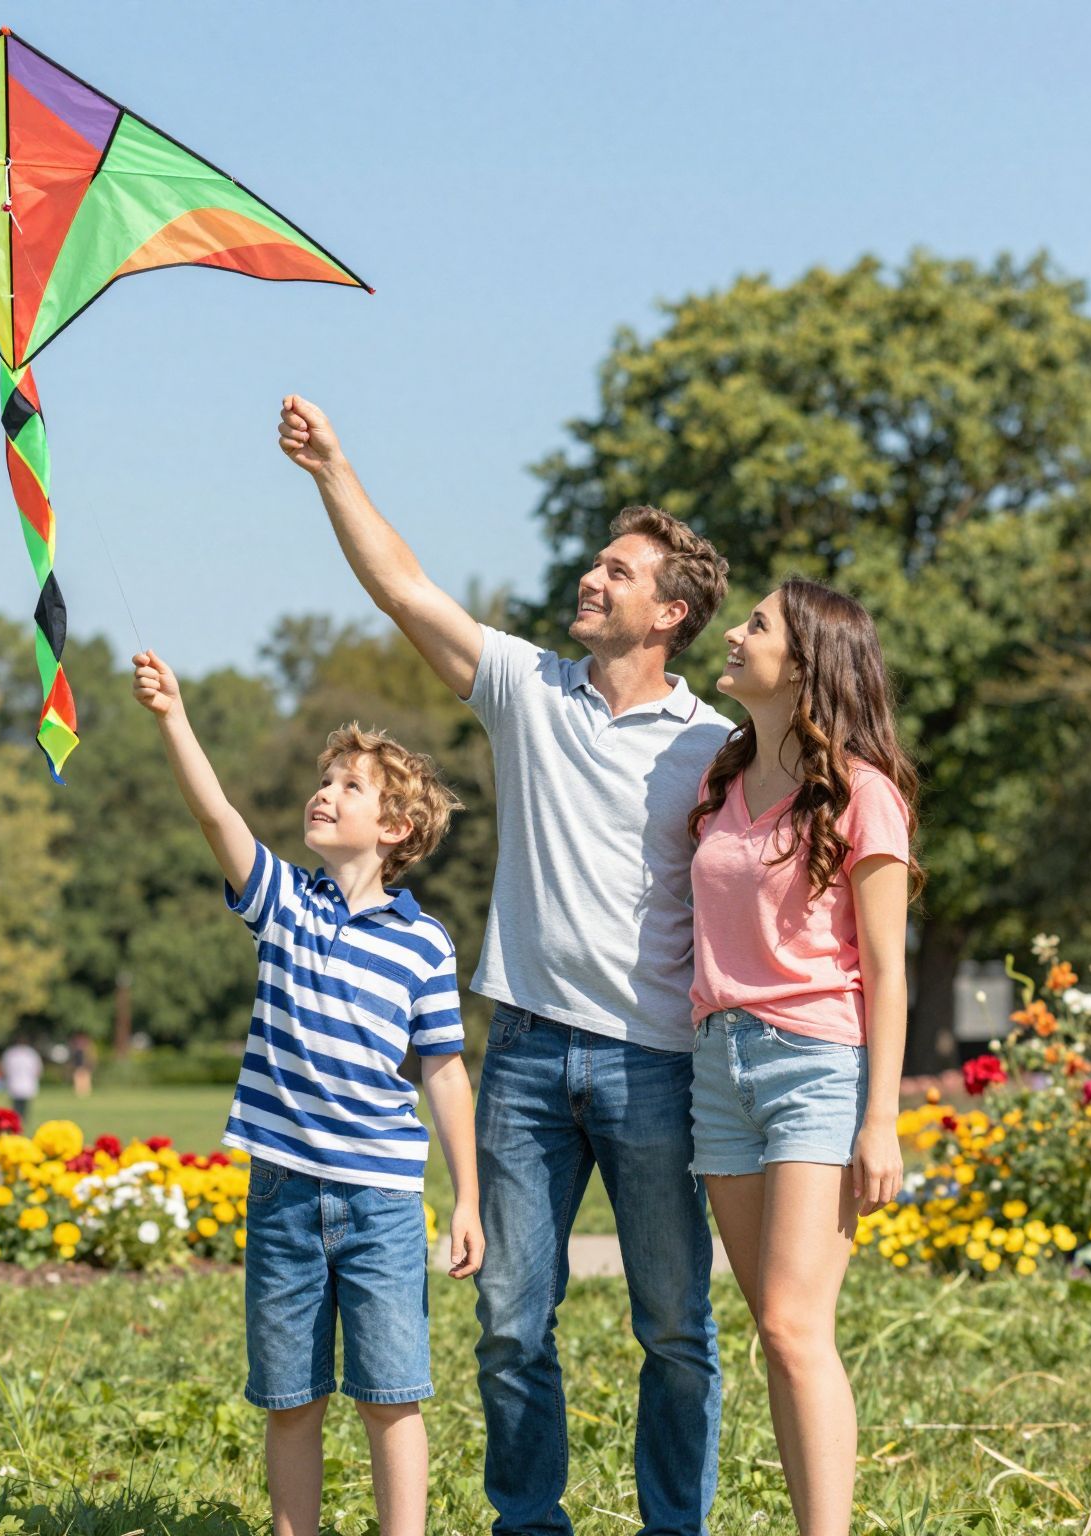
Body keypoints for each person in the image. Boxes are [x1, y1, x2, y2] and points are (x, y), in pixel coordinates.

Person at [279, 396, 730, 1536]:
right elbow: (404, 590)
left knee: (673, 1328)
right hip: (525, 1053)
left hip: (657, 1066)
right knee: (508, 1324)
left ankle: (672, 1526)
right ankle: (528, 1525)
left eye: (617, 573)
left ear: (668, 612)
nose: (592, 579)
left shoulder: (715, 746)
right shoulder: (528, 690)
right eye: (593, 563)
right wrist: (333, 465)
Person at [130, 648, 484, 1536]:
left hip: (384, 1203)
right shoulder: (286, 903)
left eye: (349, 786)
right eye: (322, 781)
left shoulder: (425, 945)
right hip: (283, 1193)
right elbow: (217, 814)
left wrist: (468, 1196)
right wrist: (175, 716)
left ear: (396, 826)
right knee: (290, 1399)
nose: (323, 793)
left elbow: (443, 1070)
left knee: (391, 1395)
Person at [687, 577, 916, 1536]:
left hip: (814, 1065)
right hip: (716, 1068)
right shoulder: (722, 783)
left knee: (793, 1325)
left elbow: (888, 974)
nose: (734, 634)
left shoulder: (864, 795)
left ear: (809, 662)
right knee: (776, 1334)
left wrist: (881, 1122)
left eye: (757, 625)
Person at [0, 1037, 43, 1127]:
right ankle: (21, 1121)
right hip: (27, 1084)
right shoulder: (31, 1053)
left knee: (16, 1106)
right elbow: (38, 1070)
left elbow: (4, 1068)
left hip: (14, 1084)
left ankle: (17, 1121)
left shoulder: (11, 1053)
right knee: (24, 1106)